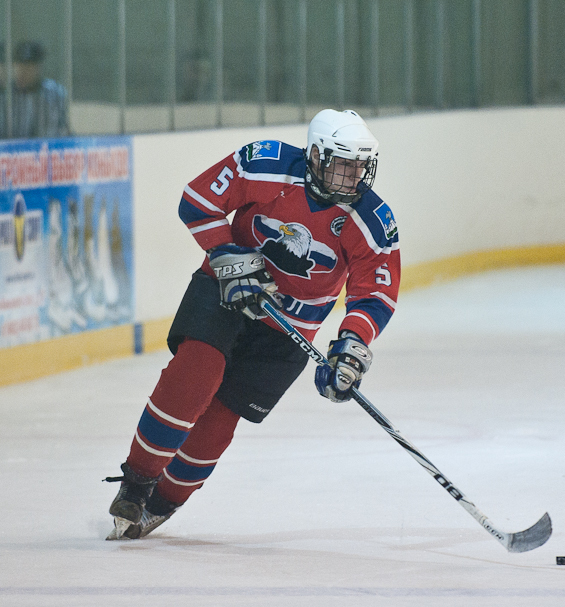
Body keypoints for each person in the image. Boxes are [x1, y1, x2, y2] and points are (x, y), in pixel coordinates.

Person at [104, 109, 400, 540]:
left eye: (361, 167)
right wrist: (226, 254)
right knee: (196, 372)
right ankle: (136, 483)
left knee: (221, 420)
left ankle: (162, 504)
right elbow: (198, 201)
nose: (353, 178)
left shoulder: (372, 219)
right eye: (343, 165)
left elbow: (375, 293)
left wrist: (352, 345)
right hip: (226, 291)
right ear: (315, 156)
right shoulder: (265, 164)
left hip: (289, 328)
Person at [0, 40, 70, 139]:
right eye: (19, 65)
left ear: (39, 68)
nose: (23, 71)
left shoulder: (55, 93)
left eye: (29, 67)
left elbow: (61, 130)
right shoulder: (5, 95)